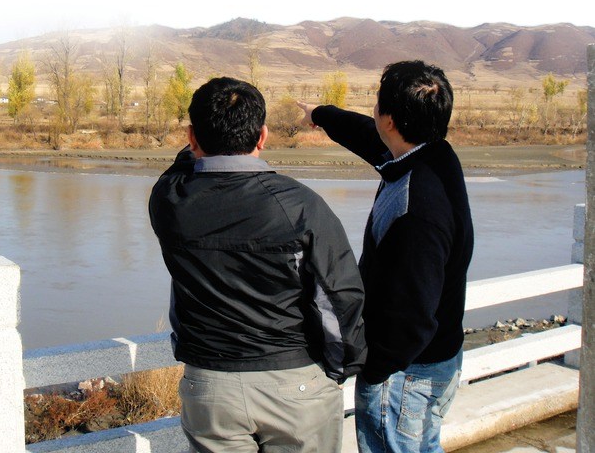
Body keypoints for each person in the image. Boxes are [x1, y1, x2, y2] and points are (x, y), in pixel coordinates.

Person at [149, 77, 367, 452]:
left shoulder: (170, 202)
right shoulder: (299, 205)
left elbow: (181, 168)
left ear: (191, 135)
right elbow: (341, 295)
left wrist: (199, 145)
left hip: (211, 385)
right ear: (262, 136)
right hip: (295, 383)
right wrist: (343, 367)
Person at [298, 60, 474, 452]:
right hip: (429, 360)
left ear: (391, 121)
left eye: (377, 106)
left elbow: (411, 316)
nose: (373, 113)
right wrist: (321, 115)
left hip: (406, 375)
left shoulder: (418, 209)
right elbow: (368, 136)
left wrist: (373, 370)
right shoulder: (432, 154)